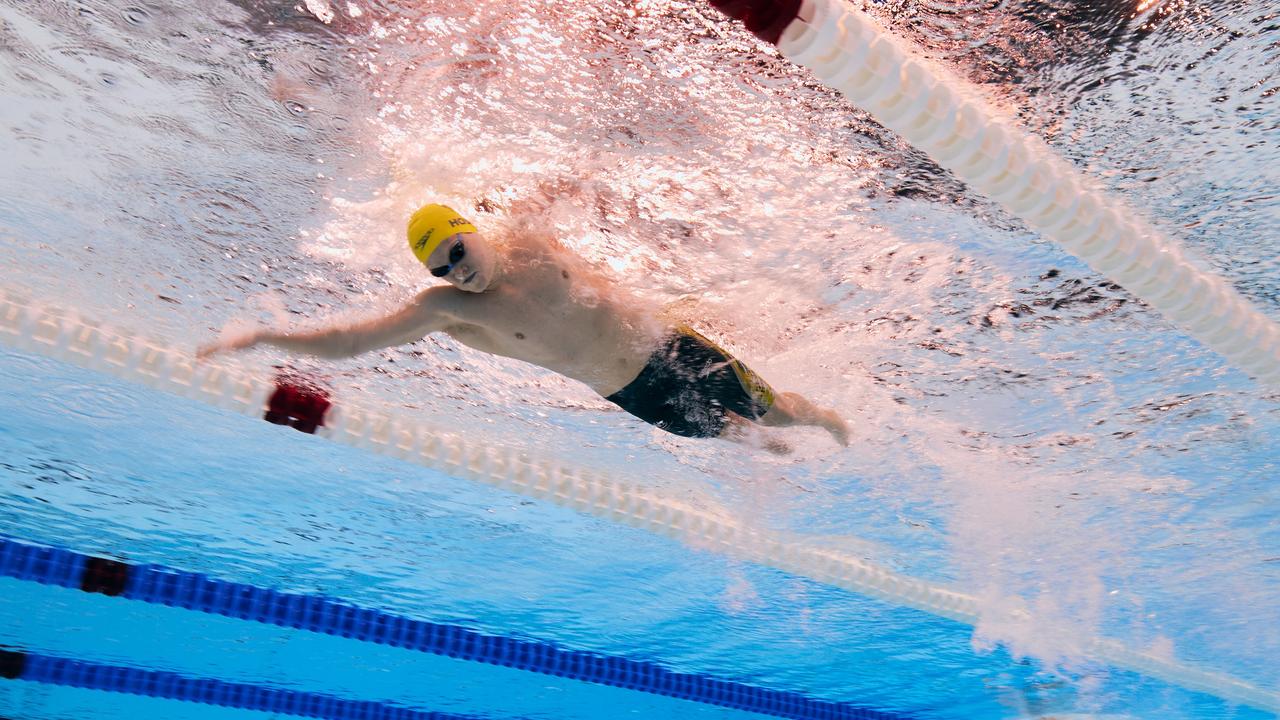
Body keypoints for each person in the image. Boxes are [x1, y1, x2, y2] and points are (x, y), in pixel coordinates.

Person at [198, 204, 849, 452]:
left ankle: (820, 419)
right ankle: (757, 444)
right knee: (723, 435)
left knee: (772, 413)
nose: (456, 273)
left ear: (469, 231)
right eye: (441, 269)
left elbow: (590, 218)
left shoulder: (533, 242)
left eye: (457, 253)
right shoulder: (447, 311)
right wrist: (262, 339)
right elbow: (354, 341)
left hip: (664, 344)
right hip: (627, 391)